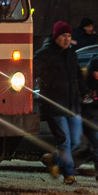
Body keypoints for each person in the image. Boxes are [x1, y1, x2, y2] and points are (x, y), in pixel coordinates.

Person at [35, 20, 83, 184]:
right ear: (56, 36)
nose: (67, 39)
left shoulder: (71, 54)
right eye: (63, 36)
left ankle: (52, 159)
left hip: (72, 105)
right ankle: (69, 175)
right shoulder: (45, 54)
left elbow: (78, 77)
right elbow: (33, 73)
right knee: (65, 141)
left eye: (69, 36)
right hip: (54, 106)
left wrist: (85, 93)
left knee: (75, 141)